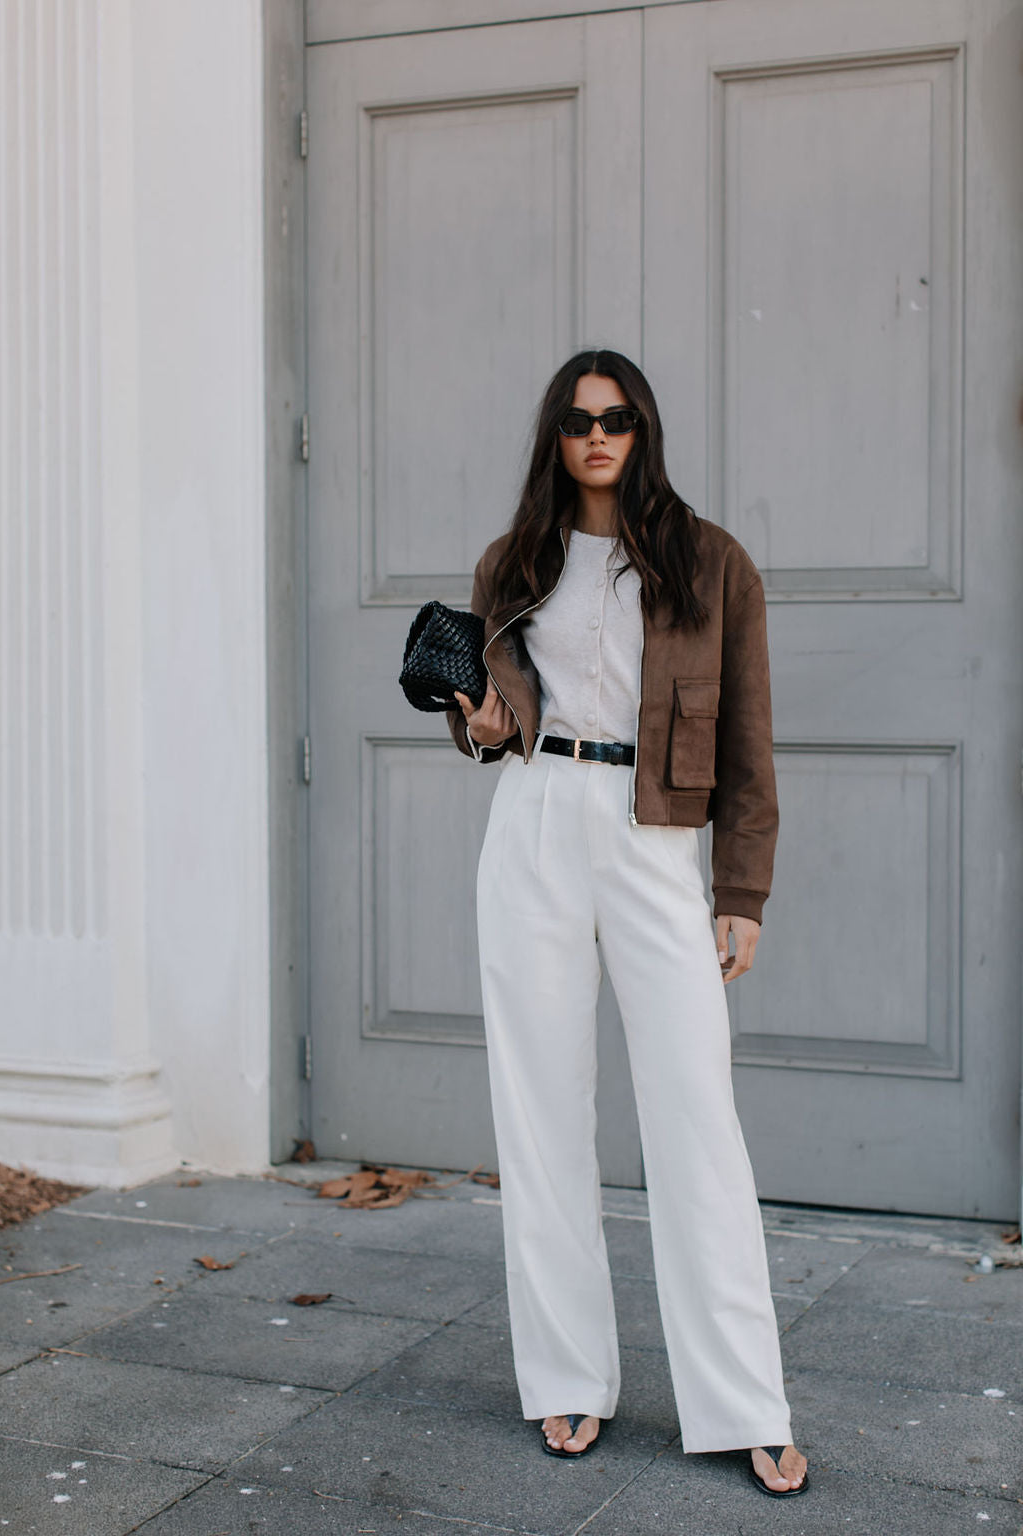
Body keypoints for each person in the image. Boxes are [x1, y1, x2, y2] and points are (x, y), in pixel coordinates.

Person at [447, 349, 808, 1498]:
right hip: (537, 820)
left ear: (642, 431)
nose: (596, 436)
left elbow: (747, 742)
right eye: (575, 419)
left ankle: (746, 1400)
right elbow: (499, 723)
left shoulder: (709, 563)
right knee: (540, 1111)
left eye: (616, 419)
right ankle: (565, 1377)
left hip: (656, 840)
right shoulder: (513, 564)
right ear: (554, 437)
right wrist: (478, 724)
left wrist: (739, 893)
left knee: (698, 1120)